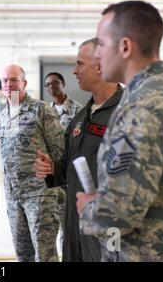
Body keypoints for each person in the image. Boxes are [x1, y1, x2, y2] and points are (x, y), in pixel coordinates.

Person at [76, 1, 163, 261]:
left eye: (102, 45)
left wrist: (89, 207)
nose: (97, 55)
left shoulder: (142, 107)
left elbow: (119, 213)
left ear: (125, 47)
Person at [35, 38, 123, 262]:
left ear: (101, 66)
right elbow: (68, 166)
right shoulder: (80, 117)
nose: (74, 71)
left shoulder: (127, 113)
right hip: (75, 221)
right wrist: (51, 168)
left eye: (80, 64)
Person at [0, 64, 64, 262]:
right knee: (22, 254)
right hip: (13, 197)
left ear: (24, 83)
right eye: (5, 81)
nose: (9, 84)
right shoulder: (3, 115)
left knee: (45, 255)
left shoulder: (41, 110)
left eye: (14, 80)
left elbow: (60, 153)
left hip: (40, 196)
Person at [44, 71, 83, 258]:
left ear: (63, 83)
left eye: (55, 83)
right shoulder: (46, 111)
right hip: (52, 179)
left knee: (69, 227)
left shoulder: (78, 111)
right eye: (48, 85)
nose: (52, 87)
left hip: (70, 177)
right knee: (51, 226)